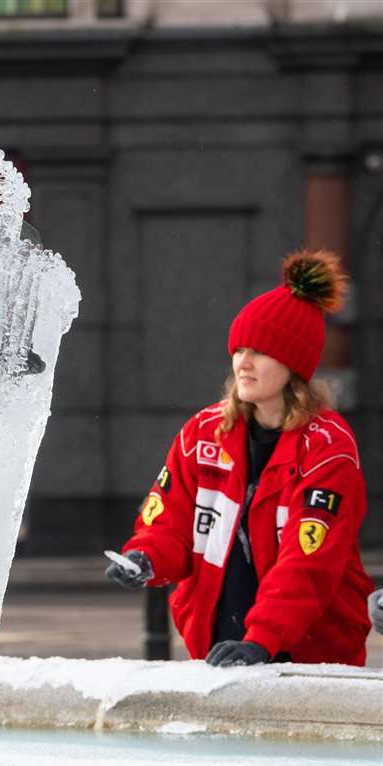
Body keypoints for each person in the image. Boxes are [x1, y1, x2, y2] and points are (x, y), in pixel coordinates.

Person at [107, 251, 373, 667]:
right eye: (239, 349)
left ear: (293, 364)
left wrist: (261, 640)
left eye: (260, 352)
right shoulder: (202, 433)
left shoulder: (327, 448)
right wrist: (145, 558)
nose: (243, 362)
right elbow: (169, 523)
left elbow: (309, 564)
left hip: (309, 654)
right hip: (221, 646)